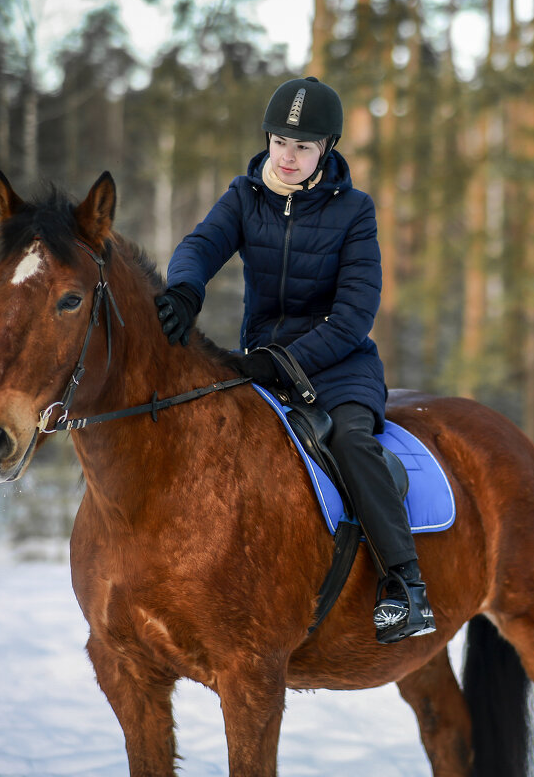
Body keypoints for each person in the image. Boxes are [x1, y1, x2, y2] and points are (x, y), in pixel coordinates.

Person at [154, 76, 435, 644]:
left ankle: (405, 587)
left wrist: (283, 362)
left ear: (326, 150)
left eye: (303, 147)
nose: (288, 156)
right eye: (281, 141)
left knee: (353, 443)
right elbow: (200, 246)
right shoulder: (244, 196)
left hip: (338, 365)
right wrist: (185, 289)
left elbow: (355, 314)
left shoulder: (355, 211)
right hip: (262, 363)